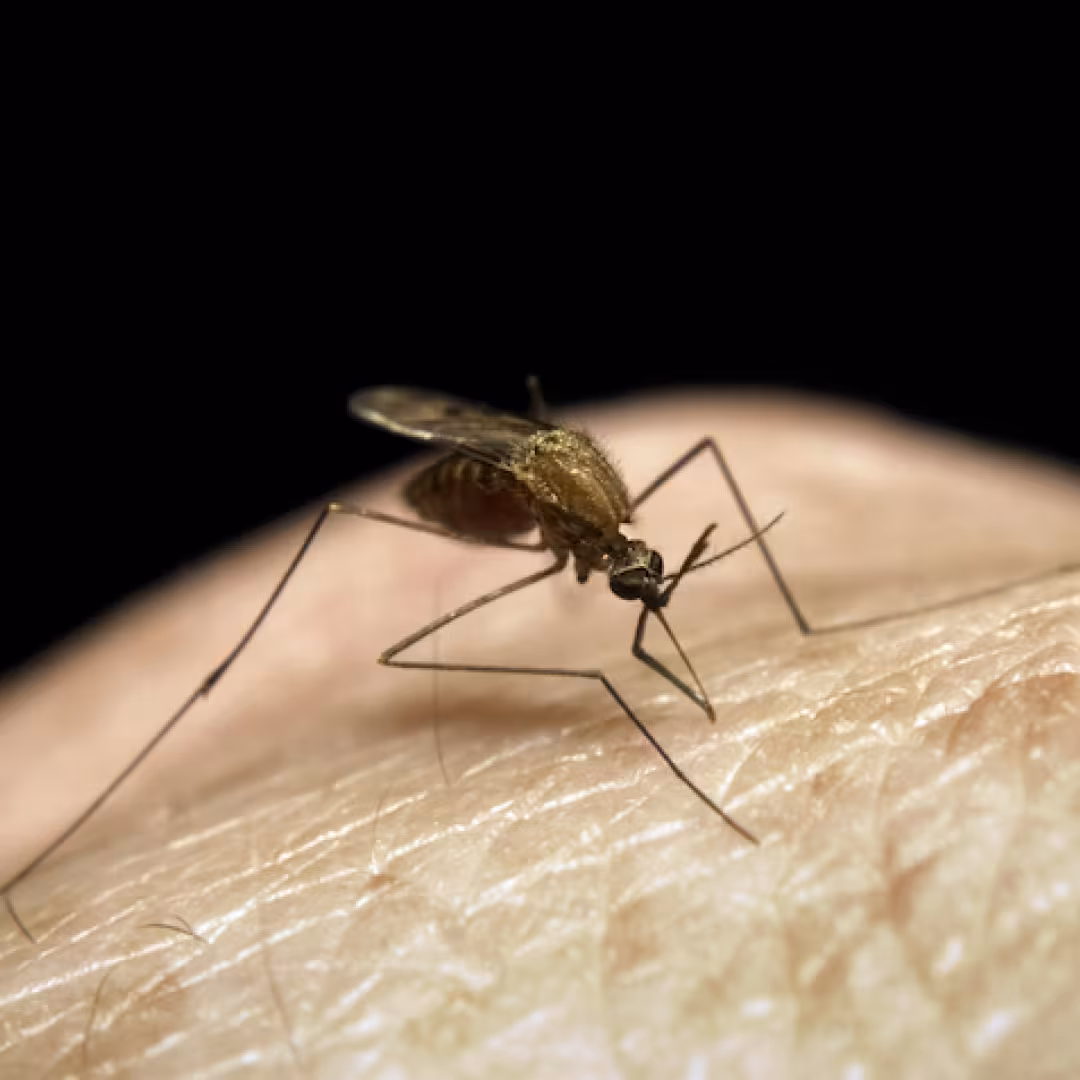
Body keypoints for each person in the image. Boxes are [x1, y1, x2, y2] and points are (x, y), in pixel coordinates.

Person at [2, 391, 1079, 1077]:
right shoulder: (565, 521)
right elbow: (534, 452)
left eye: (632, 571)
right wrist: (599, 673)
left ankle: (812, 617)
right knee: (356, 518)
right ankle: (149, 746)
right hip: (479, 490)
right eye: (629, 575)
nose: (638, 581)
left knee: (703, 440)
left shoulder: (615, 528)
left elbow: (567, 455)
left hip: (544, 479)